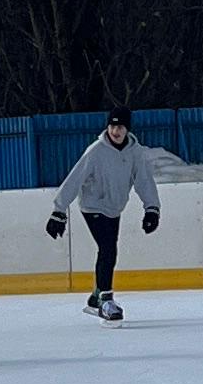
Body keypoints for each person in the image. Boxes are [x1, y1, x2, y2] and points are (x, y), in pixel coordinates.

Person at [47, 111, 162, 318]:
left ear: (127, 129)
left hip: (114, 208)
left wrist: (152, 208)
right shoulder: (96, 151)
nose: (115, 131)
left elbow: (144, 180)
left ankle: (95, 298)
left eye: (120, 127)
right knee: (108, 249)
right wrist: (59, 210)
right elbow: (75, 179)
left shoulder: (135, 152)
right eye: (112, 126)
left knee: (109, 250)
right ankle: (106, 301)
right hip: (93, 206)